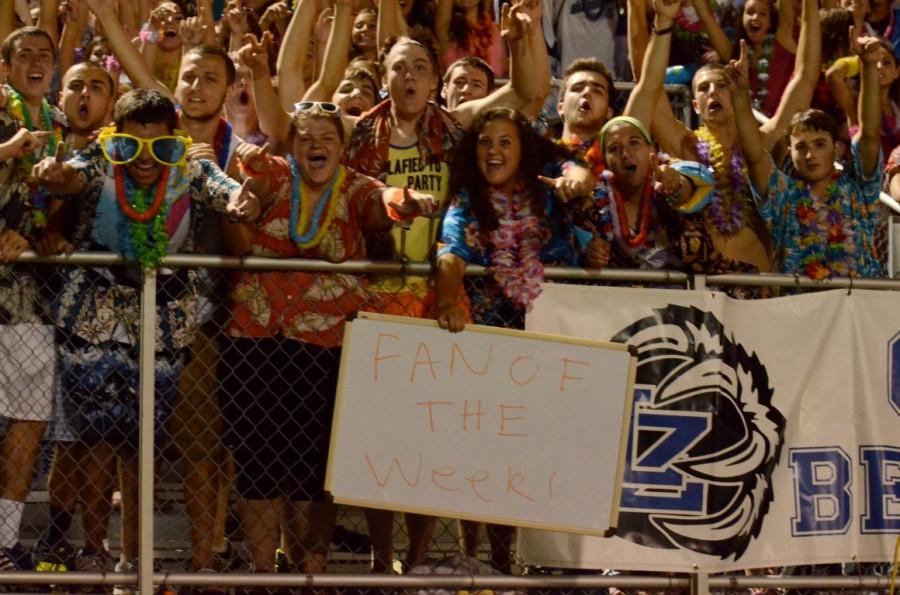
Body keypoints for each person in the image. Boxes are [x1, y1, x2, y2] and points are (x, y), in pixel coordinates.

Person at [32, 88, 259, 585]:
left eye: (159, 147)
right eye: (132, 147)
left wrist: (243, 199)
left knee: (177, 445)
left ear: (174, 142)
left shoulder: (189, 168)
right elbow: (70, 175)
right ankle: (98, 550)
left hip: (171, 328)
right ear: (117, 139)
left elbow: (225, 190)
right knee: (97, 440)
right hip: (93, 320)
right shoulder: (100, 154)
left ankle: (199, 568)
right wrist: (57, 176)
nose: (144, 160)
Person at [217, 101, 436, 576]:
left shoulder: (357, 186)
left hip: (328, 349)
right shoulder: (275, 174)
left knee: (317, 467)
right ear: (292, 144)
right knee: (259, 460)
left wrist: (408, 201)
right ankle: (261, 573)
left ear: (342, 147)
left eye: (327, 138)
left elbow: (382, 204)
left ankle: (310, 572)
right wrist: (244, 206)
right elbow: (248, 199)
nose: (316, 145)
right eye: (305, 137)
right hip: (255, 341)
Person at [642, 0, 822, 274]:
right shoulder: (685, 146)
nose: (713, 92)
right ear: (694, 106)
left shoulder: (762, 143)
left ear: (738, 91)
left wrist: (810, 7)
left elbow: (805, 76)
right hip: (704, 292)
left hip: (759, 291)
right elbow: (648, 89)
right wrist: (644, 14)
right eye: (703, 88)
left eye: (722, 85)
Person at [29, 61, 120, 579]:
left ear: (112, 98)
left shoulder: (121, 152)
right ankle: (58, 535)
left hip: (110, 313)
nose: (86, 95)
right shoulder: (41, 147)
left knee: (100, 433)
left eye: (97, 86)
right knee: (68, 433)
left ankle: (95, 542)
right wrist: (42, 232)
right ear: (62, 96)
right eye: (77, 86)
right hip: (48, 306)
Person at [732, 30, 887, 278]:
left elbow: (869, 133)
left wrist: (868, 67)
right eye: (801, 146)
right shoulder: (783, 195)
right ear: (790, 150)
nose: (810, 154)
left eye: (819, 144)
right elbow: (754, 157)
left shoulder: (858, 190)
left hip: (861, 309)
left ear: (837, 148)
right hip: (800, 311)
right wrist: (740, 95)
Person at [0, 24, 66, 575]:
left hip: (31, 298)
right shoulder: (2, 112)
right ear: (7, 69)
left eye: (46, 54)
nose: (36, 61)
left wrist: (47, 232)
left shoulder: (60, 128)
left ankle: (5, 539)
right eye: (25, 54)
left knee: (27, 419)